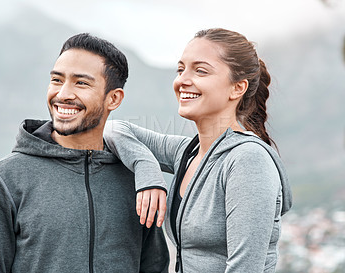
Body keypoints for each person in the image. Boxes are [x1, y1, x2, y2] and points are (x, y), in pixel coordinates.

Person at [0, 33, 170, 273]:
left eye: (81, 83)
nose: (63, 94)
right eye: (57, 80)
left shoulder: (136, 183)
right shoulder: (3, 180)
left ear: (113, 98)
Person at [104, 28, 292, 272]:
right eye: (181, 69)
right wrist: (147, 170)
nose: (183, 80)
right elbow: (113, 129)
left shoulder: (247, 160)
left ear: (237, 88)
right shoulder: (187, 152)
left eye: (200, 70)